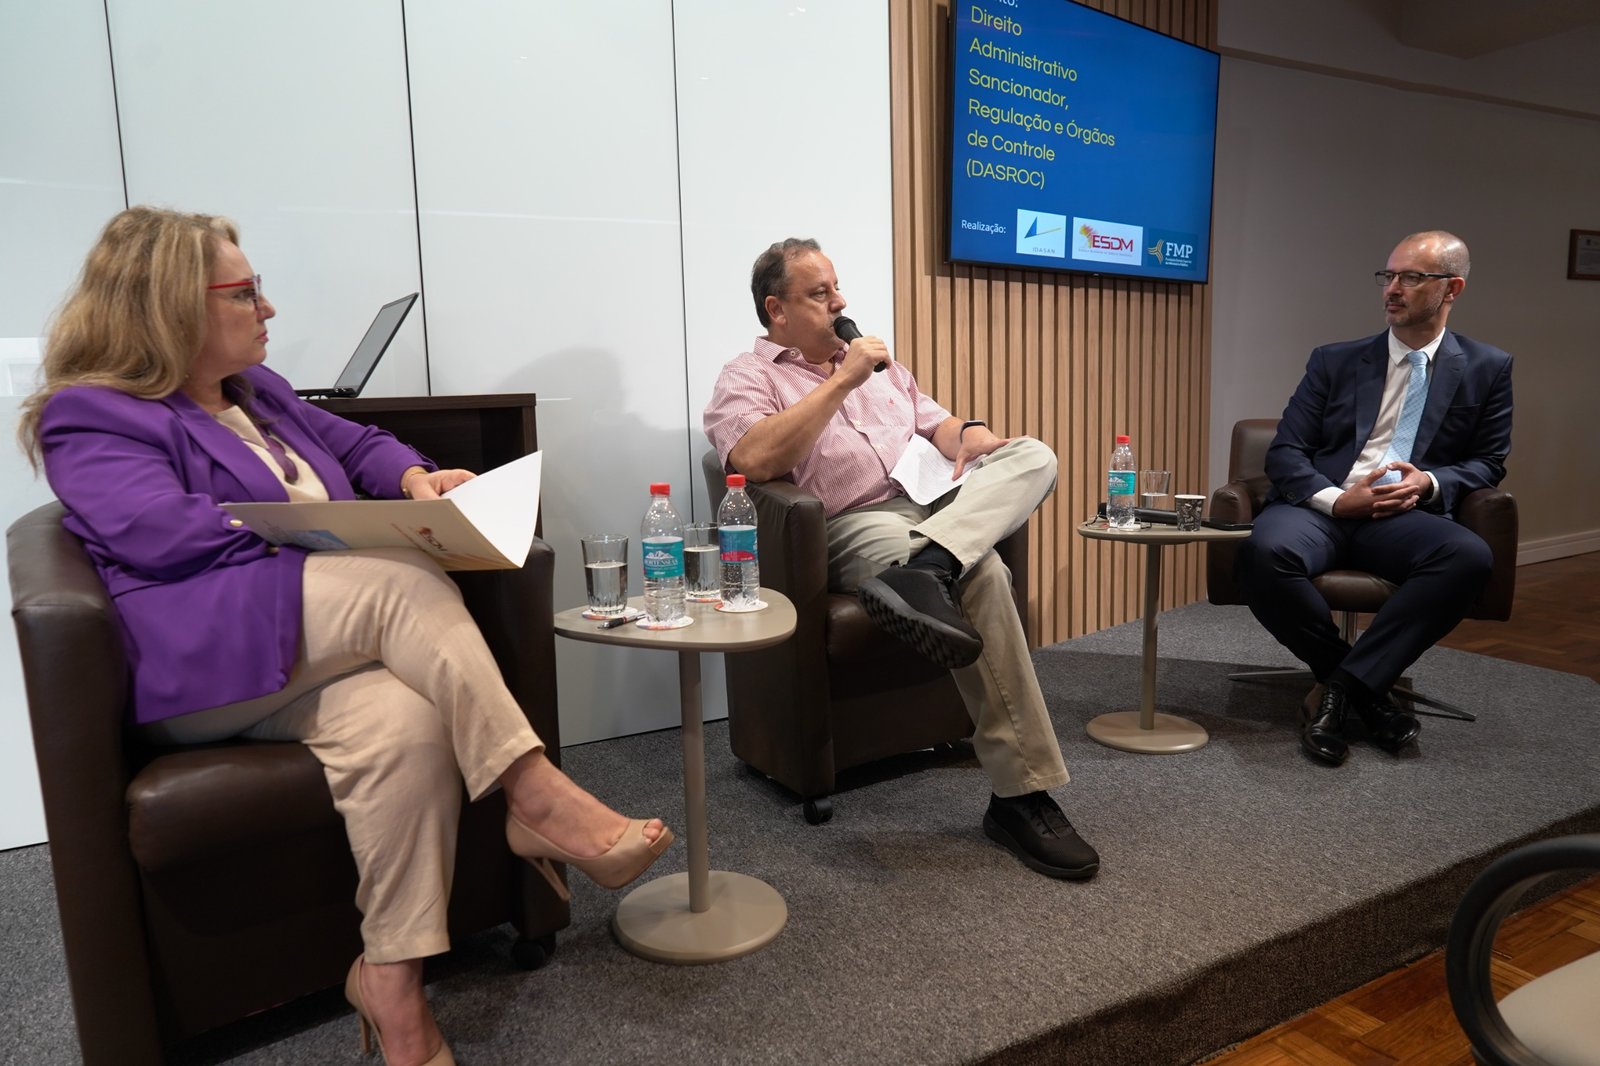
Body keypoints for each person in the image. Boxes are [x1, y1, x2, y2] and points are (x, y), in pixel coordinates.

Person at [18, 207, 674, 1066]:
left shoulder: (259, 392)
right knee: (400, 577)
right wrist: (323, 535)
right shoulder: (91, 414)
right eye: (244, 292)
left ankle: (391, 985)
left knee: (405, 726)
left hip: (306, 649)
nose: (267, 308)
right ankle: (534, 792)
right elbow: (155, 533)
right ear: (168, 304)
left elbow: (359, 443)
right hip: (206, 664)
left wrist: (413, 477)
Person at [703, 237, 1098, 881]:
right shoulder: (748, 376)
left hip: (931, 507)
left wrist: (973, 436)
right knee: (985, 572)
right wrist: (843, 381)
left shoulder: (885, 368)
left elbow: (937, 425)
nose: (840, 302)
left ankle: (933, 566)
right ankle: (1021, 796)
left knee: (1034, 454)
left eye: (837, 288)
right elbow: (752, 460)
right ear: (776, 309)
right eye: (820, 293)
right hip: (850, 524)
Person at [1235, 230, 1512, 767]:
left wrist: (1427, 483)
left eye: (1412, 277)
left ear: (1452, 288)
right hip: (1324, 507)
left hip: (1403, 516)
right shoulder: (1334, 360)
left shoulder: (1488, 366)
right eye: (1389, 275)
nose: (1392, 288)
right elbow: (1287, 451)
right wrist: (1337, 501)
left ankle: (1339, 691)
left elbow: (1488, 461)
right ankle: (1366, 691)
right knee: (1262, 552)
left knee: (1468, 557)